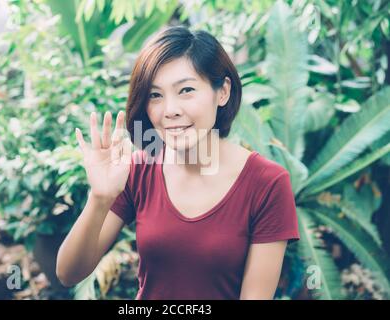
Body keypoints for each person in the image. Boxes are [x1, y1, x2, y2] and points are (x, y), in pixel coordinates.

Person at [56, 26, 300, 300]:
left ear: (222, 92)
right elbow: (68, 273)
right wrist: (100, 198)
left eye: (186, 90)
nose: (170, 110)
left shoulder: (267, 183)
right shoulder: (137, 170)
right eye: (155, 95)